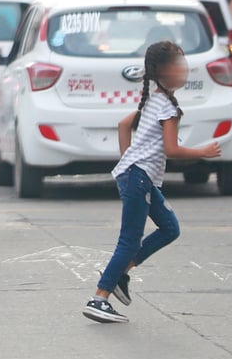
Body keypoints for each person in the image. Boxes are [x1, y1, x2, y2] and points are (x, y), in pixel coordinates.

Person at [83, 41, 222, 324]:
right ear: (163, 72)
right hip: (139, 177)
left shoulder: (155, 100)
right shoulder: (166, 108)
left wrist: (130, 162)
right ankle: (99, 298)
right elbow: (172, 150)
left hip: (139, 175)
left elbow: (124, 125)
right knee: (129, 240)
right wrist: (202, 152)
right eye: (178, 65)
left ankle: (120, 274)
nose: (184, 70)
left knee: (170, 228)